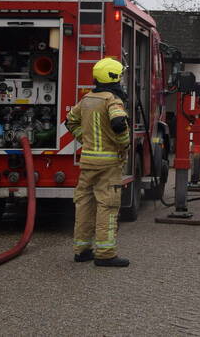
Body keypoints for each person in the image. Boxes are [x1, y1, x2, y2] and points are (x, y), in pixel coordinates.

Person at [65, 57, 131, 267]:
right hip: (108, 163)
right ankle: (105, 254)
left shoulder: (87, 99)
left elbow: (69, 121)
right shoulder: (112, 99)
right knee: (107, 206)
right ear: (114, 77)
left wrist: (83, 138)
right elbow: (119, 122)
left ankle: (82, 250)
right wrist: (124, 144)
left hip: (88, 161)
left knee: (84, 203)